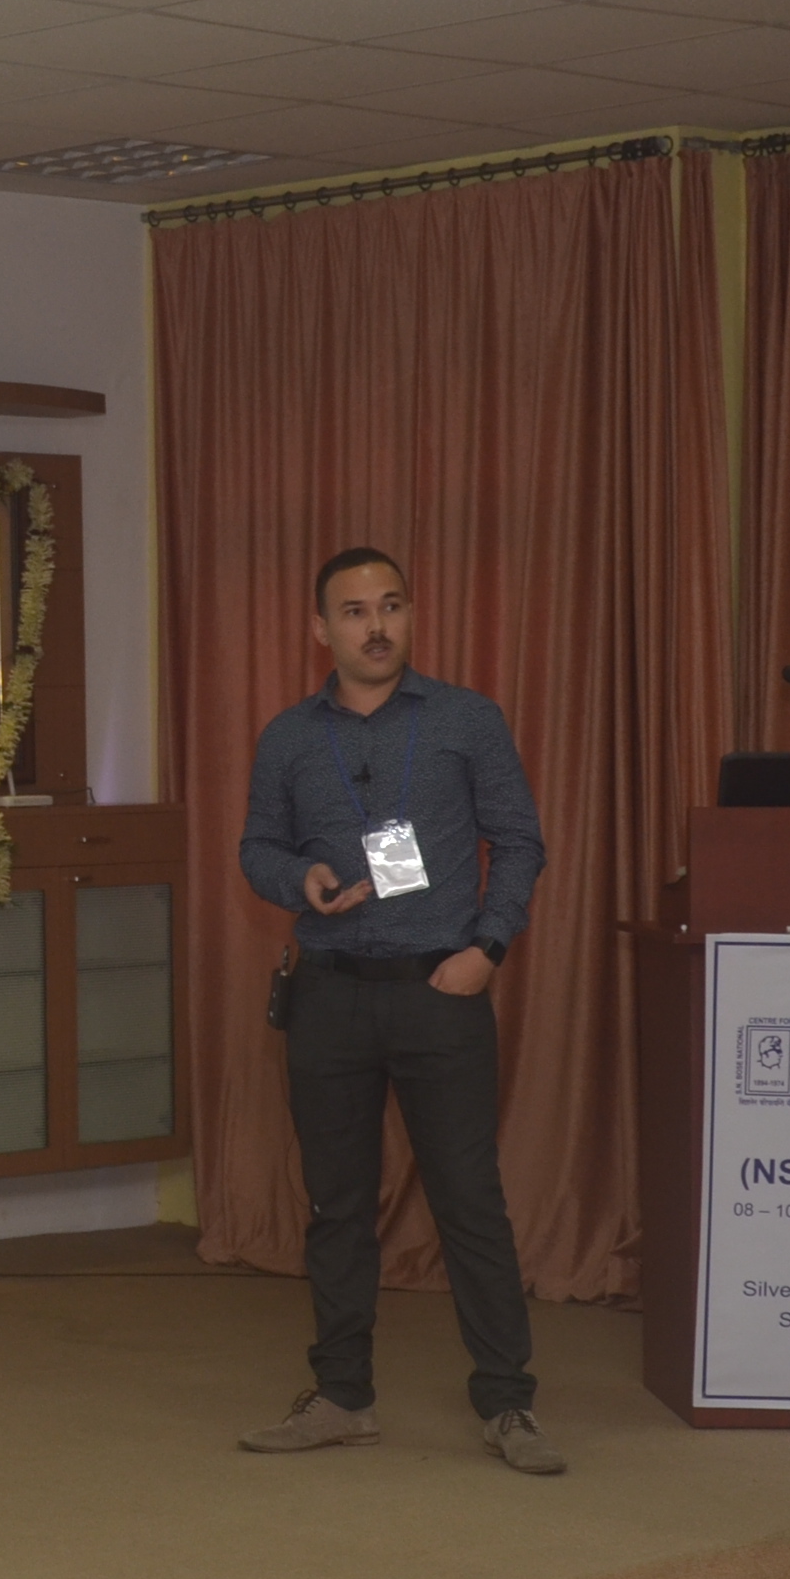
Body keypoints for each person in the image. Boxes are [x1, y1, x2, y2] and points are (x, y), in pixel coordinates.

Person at [234, 548, 563, 1475]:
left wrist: (486, 950)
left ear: (412, 616)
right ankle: (343, 1397)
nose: (375, 626)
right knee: (336, 1206)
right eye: (353, 611)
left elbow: (520, 841)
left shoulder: (466, 720)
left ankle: (508, 1402)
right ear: (321, 629)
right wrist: (298, 875)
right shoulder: (288, 737)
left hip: (439, 991)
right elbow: (256, 847)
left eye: (391, 606)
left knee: (469, 1201)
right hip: (329, 994)